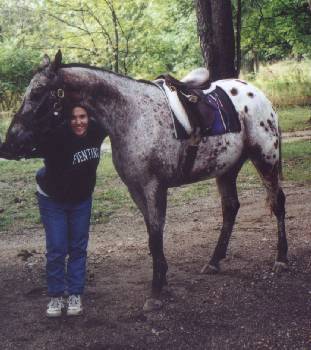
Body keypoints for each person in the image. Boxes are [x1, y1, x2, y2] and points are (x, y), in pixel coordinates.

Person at [35, 105, 105, 317]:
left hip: (81, 199)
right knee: (57, 248)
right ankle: (56, 297)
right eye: (73, 118)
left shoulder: (97, 130)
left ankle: (75, 294)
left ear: (90, 117)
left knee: (78, 247)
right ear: (67, 120)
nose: (78, 122)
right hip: (52, 199)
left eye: (82, 116)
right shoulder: (57, 134)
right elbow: (36, 128)